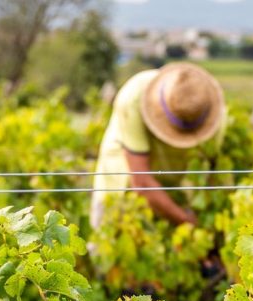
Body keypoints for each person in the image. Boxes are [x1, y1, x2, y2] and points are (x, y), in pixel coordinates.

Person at [89, 62, 226, 229]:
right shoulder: (133, 97)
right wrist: (186, 220)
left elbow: (210, 175)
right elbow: (141, 182)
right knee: (106, 242)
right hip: (118, 185)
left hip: (172, 190)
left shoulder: (210, 113)